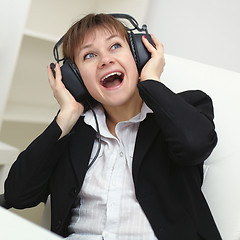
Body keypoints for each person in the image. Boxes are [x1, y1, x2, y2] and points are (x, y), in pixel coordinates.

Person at [4, 13, 222, 240]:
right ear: (75, 78)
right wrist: (66, 116)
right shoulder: (76, 130)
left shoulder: (185, 108)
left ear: (138, 54)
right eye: (89, 55)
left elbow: (195, 145)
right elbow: (18, 195)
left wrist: (150, 82)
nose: (105, 60)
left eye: (115, 46)